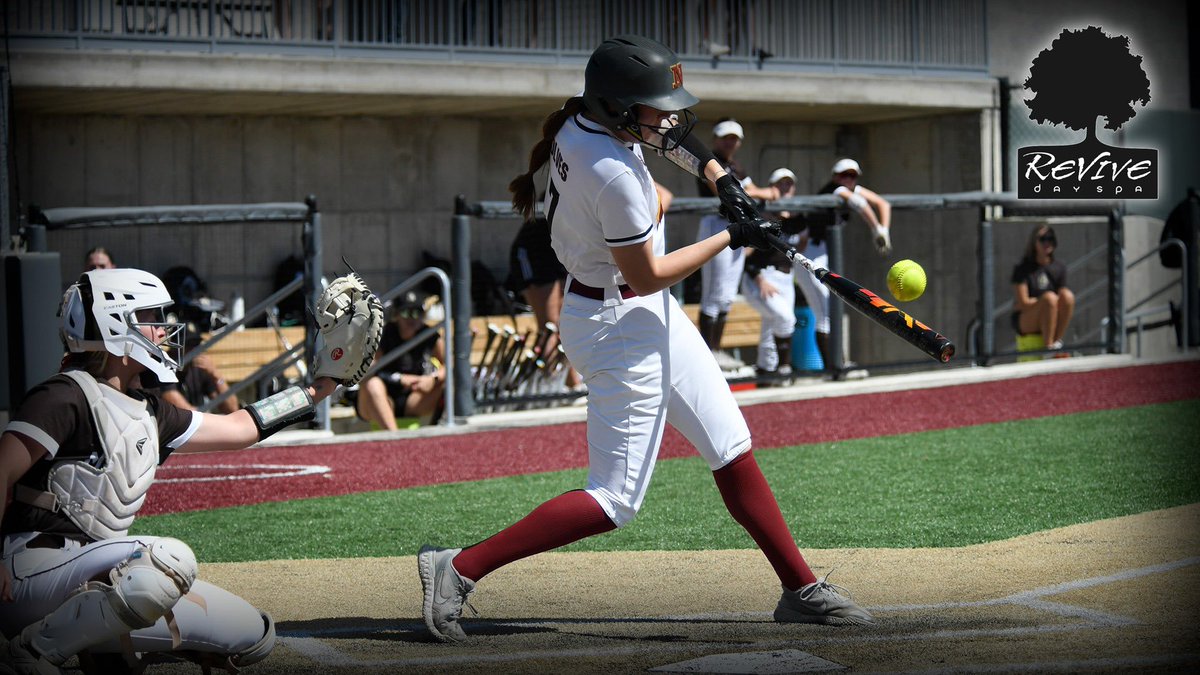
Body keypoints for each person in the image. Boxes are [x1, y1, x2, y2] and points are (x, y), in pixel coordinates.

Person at [417, 34, 873, 644]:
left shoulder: (581, 120)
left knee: (729, 442)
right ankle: (460, 567)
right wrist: (731, 238)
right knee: (613, 500)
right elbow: (647, 273)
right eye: (655, 108)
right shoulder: (613, 177)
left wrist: (722, 179)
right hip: (616, 326)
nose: (668, 118)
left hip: (639, 311)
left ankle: (799, 588)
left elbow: (677, 140)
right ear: (618, 109)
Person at [1, 268, 382, 672]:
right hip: (29, 574)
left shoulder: (148, 409)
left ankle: (97, 642)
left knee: (251, 634)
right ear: (115, 324)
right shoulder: (65, 393)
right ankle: (32, 652)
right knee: (169, 560)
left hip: (95, 577)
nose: (164, 329)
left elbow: (241, 428)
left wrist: (324, 385)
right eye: (151, 318)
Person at [694, 118, 783, 371]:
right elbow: (726, 191)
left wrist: (756, 191)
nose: (730, 142)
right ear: (716, 139)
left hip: (735, 227)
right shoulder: (710, 161)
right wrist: (761, 192)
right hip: (715, 224)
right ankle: (708, 354)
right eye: (725, 137)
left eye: (734, 138)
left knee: (726, 295)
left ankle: (717, 351)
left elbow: (753, 189)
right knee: (713, 294)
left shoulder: (735, 165)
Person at [792, 158, 892, 371]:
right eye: (844, 175)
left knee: (832, 310)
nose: (848, 179)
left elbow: (884, 203)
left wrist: (885, 229)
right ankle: (834, 368)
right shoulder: (837, 189)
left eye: (853, 175)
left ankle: (839, 364)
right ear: (835, 176)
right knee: (825, 313)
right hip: (809, 252)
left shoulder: (852, 188)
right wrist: (876, 229)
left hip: (823, 253)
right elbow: (859, 204)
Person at [354, 291, 446, 429]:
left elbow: (449, 366)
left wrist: (432, 379)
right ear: (396, 315)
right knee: (372, 384)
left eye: (416, 314)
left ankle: (442, 433)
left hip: (413, 397)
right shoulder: (383, 334)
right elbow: (366, 371)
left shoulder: (429, 335)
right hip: (382, 397)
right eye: (405, 313)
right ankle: (397, 440)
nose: (412, 319)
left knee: (449, 384)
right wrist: (399, 378)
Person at [742, 168, 800, 386]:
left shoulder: (796, 216)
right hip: (761, 278)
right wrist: (759, 278)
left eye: (789, 184)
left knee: (771, 324)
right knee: (785, 318)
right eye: (781, 183)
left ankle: (765, 373)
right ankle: (785, 370)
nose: (786, 187)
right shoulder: (761, 215)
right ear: (771, 188)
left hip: (786, 278)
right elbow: (745, 255)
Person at [1011, 225, 1074, 354]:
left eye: (1050, 238)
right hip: (1026, 317)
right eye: (1043, 239)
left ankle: (1056, 342)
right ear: (1034, 242)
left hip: (1050, 315)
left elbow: (1063, 299)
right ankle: (1048, 348)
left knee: (1067, 296)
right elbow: (1023, 303)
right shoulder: (1023, 268)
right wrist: (1045, 302)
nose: (1047, 243)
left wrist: (1050, 303)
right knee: (1049, 299)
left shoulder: (1059, 267)